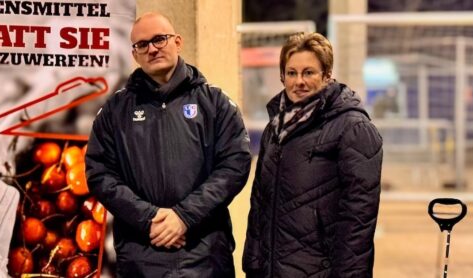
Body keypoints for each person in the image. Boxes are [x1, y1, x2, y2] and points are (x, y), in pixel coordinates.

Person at [85, 12, 252, 277]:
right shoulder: (115, 111)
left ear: (178, 42)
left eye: (159, 40)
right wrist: (149, 219)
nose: (152, 49)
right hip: (140, 257)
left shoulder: (216, 103)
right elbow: (99, 173)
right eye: (142, 44)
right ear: (135, 54)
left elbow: (234, 166)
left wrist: (184, 217)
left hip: (205, 257)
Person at [242, 32, 383, 277]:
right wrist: (253, 263)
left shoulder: (353, 128)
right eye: (292, 73)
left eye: (309, 72)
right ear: (282, 76)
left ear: (327, 75)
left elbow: (359, 219)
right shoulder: (274, 128)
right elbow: (259, 203)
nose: (299, 81)